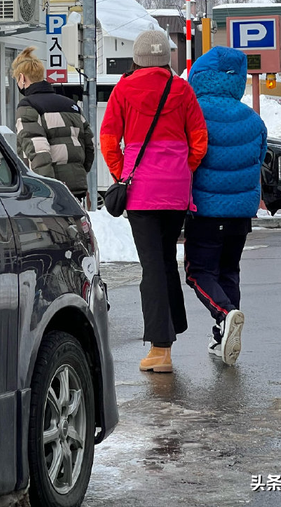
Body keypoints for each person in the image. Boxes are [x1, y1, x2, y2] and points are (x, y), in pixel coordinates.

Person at [100, 30, 208, 373]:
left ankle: (160, 349)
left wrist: (123, 172)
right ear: (165, 59)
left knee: (152, 265)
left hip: (142, 192)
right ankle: (172, 328)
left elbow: (107, 139)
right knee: (164, 259)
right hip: (176, 191)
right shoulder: (182, 89)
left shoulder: (124, 89)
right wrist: (181, 168)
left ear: (137, 58)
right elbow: (199, 140)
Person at [185, 46, 267, 366]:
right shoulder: (253, 120)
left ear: (201, 78)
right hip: (240, 214)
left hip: (206, 210)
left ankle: (224, 314)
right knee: (229, 270)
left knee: (198, 272)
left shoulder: (194, 114)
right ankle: (224, 333)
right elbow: (257, 160)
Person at [12, 47, 94, 202]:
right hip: (77, 187)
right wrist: (79, 173)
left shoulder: (28, 106)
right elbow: (89, 146)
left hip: (50, 191)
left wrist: (47, 189)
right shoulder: (71, 105)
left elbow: (38, 151)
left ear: (22, 78)